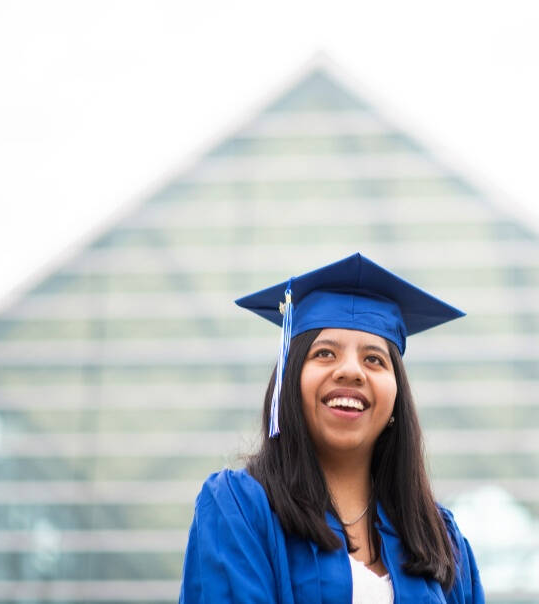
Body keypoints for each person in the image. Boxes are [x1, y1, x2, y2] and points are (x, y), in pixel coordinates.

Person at [179, 253, 485, 603]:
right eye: (324, 353)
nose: (351, 371)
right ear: (290, 382)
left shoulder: (440, 539)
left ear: (395, 401)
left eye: (374, 359)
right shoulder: (240, 509)